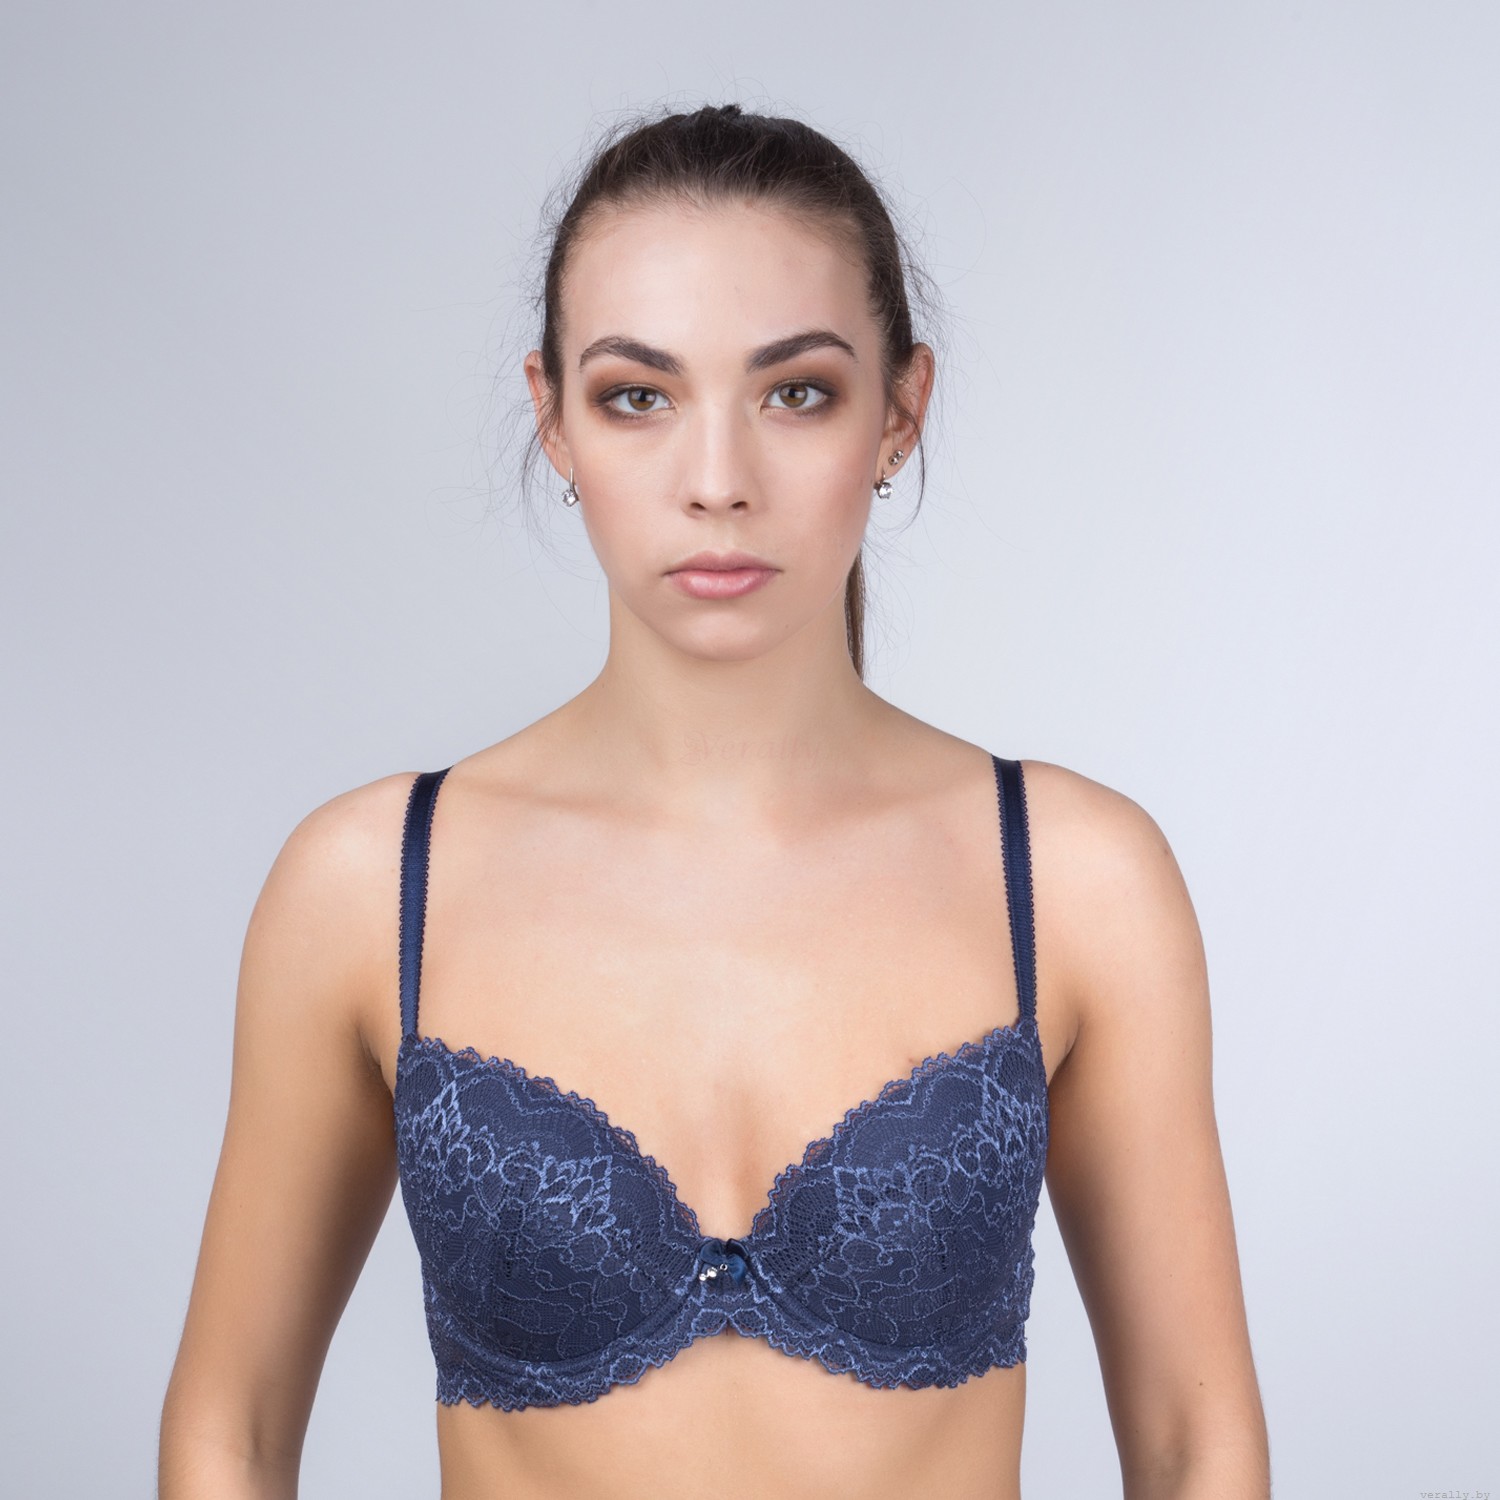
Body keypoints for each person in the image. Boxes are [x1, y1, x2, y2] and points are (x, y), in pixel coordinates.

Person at [158, 102, 1270, 1499]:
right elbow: (232, 1431)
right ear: (553, 418)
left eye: (795, 392)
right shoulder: (371, 885)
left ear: (900, 412)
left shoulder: (1074, 879)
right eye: (640, 396)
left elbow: (1194, 1444)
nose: (718, 483)